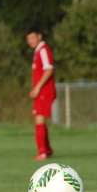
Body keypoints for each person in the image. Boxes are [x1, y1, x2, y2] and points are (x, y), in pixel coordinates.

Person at [26, 27, 56, 160]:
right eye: (28, 39)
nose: (30, 41)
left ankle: (43, 152)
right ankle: (47, 150)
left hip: (44, 91)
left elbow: (49, 69)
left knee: (39, 119)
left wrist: (38, 87)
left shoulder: (43, 50)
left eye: (32, 38)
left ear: (39, 36)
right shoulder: (38, 51)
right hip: (41, 91)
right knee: (39, 119)